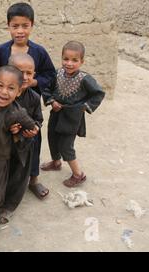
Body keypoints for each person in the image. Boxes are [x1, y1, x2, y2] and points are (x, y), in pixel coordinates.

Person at [0, 2, 56, 199]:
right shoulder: (2, 51)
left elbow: (50, 74)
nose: (20, 31)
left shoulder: (39, 52)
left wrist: (34, 81)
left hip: (29, 104)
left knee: (32, 140)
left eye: (24, 26)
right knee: (9, 141)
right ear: (8, 26)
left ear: (32, 26)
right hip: (8, 105)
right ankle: (8, 179)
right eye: (15, 26)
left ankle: (33, 179)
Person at [0, 65, 38, 224]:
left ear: (18, 92)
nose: (4, 92)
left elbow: (32, 127)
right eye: (0, 85)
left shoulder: (16, 113)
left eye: (11, 88)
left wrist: (18, 133)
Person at [41, 41, 105, 187]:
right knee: (52, 137)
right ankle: (56, 162)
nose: (69, 63)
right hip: (56, 113)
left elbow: (98, 94)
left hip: (72, 117)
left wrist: (84, 107)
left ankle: (78, 174)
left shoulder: (84, 78)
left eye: (74, 60)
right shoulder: (57, 74)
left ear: (82, 61)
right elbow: (46, 90)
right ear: (61, 58)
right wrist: (51, 101)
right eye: (66, 59)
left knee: (66, 145)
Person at [8, 53, 48, 200]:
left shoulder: (35, 97)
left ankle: (34, 181)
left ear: (34, 74)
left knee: (33, 156)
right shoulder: (2, 93)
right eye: (19, 72)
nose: (24, 77)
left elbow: (38, 118)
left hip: (29, 139)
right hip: (6, 138)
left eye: (29, 73)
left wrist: (35, 128)